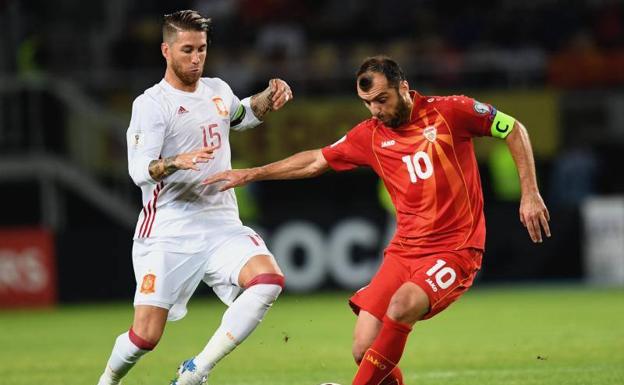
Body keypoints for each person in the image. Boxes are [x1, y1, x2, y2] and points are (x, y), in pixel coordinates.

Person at [204, 55, 551, 385]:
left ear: (404, 87)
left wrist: (530, 192)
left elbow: (513, 128)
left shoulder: (451, 112)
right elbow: (316, 160)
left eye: (382, 99)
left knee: (402, 306)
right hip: (404, 251)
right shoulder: (370, 134)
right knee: (364, 349)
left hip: (455, 249)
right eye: (368, 103)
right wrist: (254, 173)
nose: (376, 110)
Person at [96, 10, 293, 385]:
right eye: (187, 49)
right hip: (168, 231)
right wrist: (175, 161)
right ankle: (107, 381)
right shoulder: (151, 104)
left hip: (220, 224)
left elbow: (240, 116)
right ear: (166, 51)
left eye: (201, 49)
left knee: (268, 280)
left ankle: (195, 371)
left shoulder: (217, 89)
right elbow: (139, 170)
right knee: (145, 338)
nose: (196, 57)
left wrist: (269, 96)